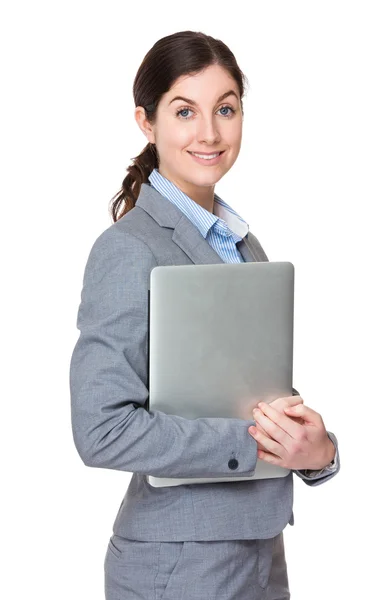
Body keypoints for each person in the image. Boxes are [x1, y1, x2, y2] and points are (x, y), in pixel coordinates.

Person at [69, 30, 340, 600]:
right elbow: (100, 430)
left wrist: (318, 452)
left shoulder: (242, 244)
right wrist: (255, 440)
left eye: (226, 109)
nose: (210, 133)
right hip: (181, 566)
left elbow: (241, 390)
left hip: (260, 550)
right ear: (147, 122)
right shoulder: (127, 248)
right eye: (185, 110)